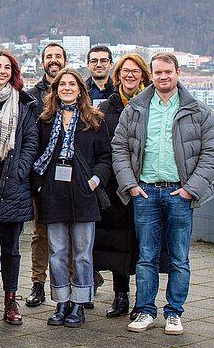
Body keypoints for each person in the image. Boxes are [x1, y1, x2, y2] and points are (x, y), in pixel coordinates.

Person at [113, 53, 214, 336]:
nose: (163, 77)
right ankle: (145, 311)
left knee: (179, 257)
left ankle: (174, 313)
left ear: (178, 73)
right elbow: (119, 147)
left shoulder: (198, 111)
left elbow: (210, 154)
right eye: (158, 72)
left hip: (180, 194)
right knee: (146, 256)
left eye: (168, 72)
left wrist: (190, 190)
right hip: (145, 192)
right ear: (152, 75)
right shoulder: (135, 108)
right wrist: (131, 185)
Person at [32, 69, 111, 328]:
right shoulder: (45, 120)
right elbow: (36, 155)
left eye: (72, 84)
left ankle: (79, 303)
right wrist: (40, 187)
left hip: (83, 192)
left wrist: (94, 181)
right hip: (53, 192)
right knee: (57, 252)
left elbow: (105, 158)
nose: (67, 88)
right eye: (62, 84)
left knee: (82, 254)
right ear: (55, 90)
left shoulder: (95, 120)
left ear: (81, 89)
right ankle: (62, 302)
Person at [0, 51, 38, 327]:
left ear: (13, 72)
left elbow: (30, 143)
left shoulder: (25, 103)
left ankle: (11, 298)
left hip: (14, 184)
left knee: (11, 248)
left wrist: (18, 171)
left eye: (7, 67)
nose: (2, 71)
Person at [95, 53, 151, 320]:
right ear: (118, 75)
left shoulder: (152, 103)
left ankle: (145, 300)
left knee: (144, 245)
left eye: (136, 71)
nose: (130, 75)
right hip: (115, 188)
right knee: (118, 244)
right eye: (125, 71)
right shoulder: (107, 106)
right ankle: (121, 296)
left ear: (143, 75)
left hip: (145, 183)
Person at [25, 42, 67, 308]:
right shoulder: (31, 96)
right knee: (40, 234)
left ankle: (72, 284)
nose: (53, 60)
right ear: (42, 62)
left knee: (71, 233)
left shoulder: (75, 88)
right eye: (49, 57)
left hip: (71, 176)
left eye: (58, 57)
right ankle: (37, 285)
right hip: (42, 175)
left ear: (65, 61)